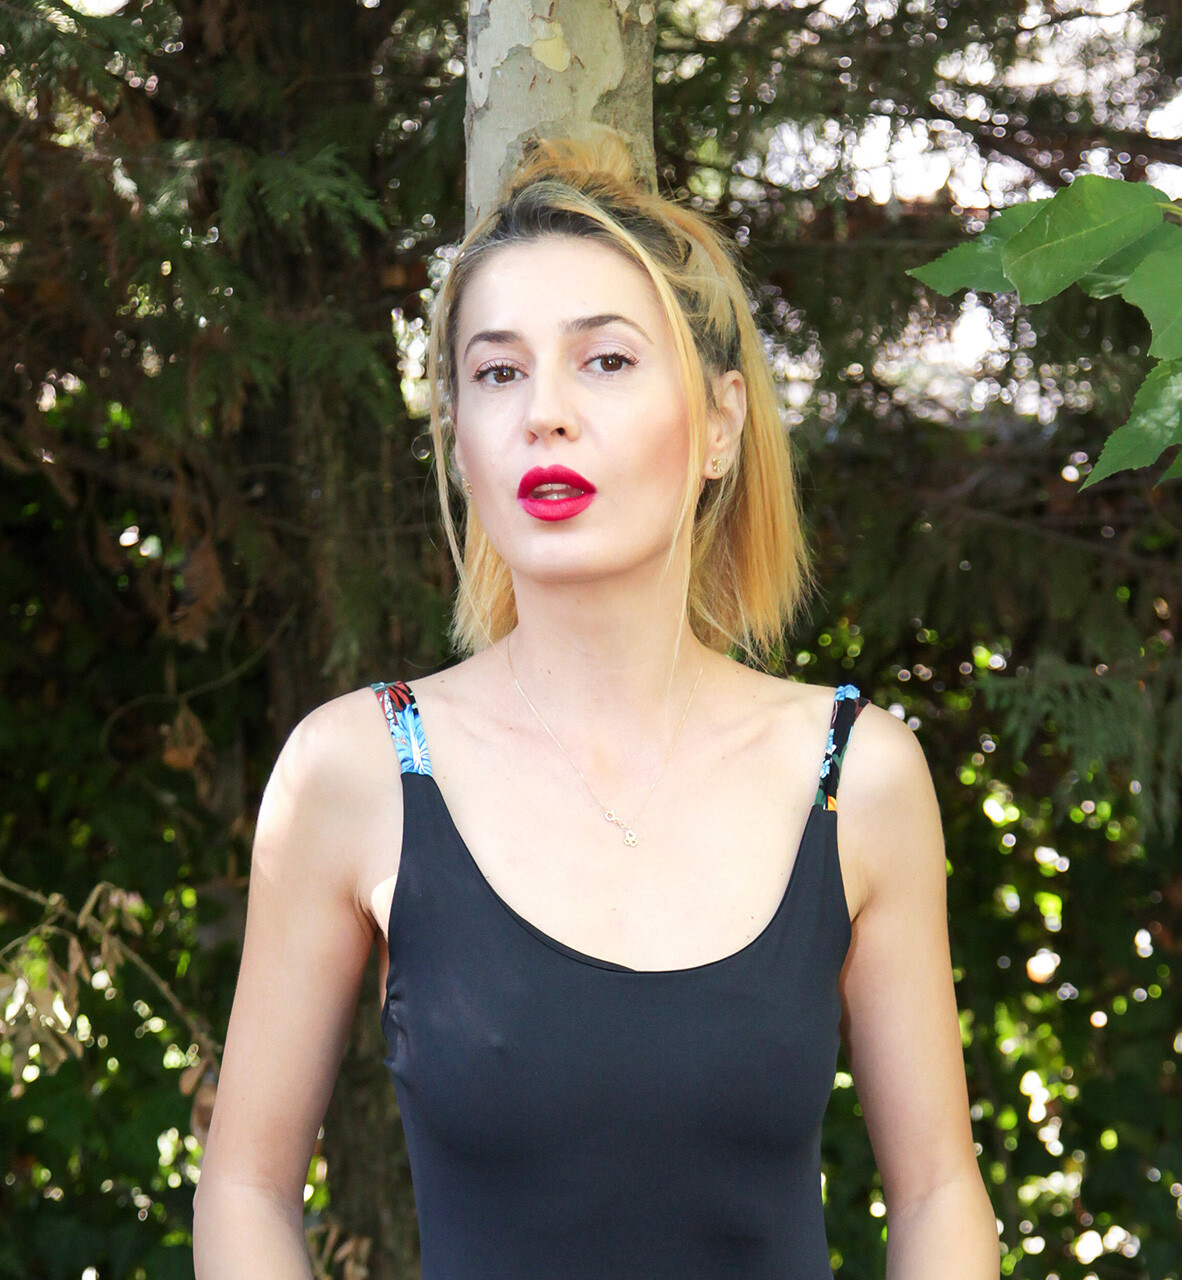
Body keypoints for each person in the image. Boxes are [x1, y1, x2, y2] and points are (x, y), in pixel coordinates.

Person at [192, 137, 1000, 1278]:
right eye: (498, 373)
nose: (546, 414)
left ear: (720, 424)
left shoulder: (853, 774)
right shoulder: (358, 770)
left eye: (606, 361)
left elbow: (938, 1193)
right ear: (458, 441)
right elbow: (244, 1189)